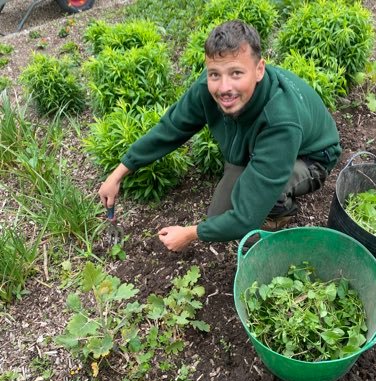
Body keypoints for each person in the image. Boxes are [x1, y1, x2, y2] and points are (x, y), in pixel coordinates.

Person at [98, 20, 341, 252]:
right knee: (219, 218)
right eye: (215, 74)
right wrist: (119, 172)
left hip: (312, 155)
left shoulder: (281, 121)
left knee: (246, 218)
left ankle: (280, 212)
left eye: (236, 73)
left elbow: (245, 218)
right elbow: (171, 128)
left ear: (259, 70)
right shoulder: (210, 87)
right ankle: (257, 169)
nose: (224, 88)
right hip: (260, 142)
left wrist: (190, 233)